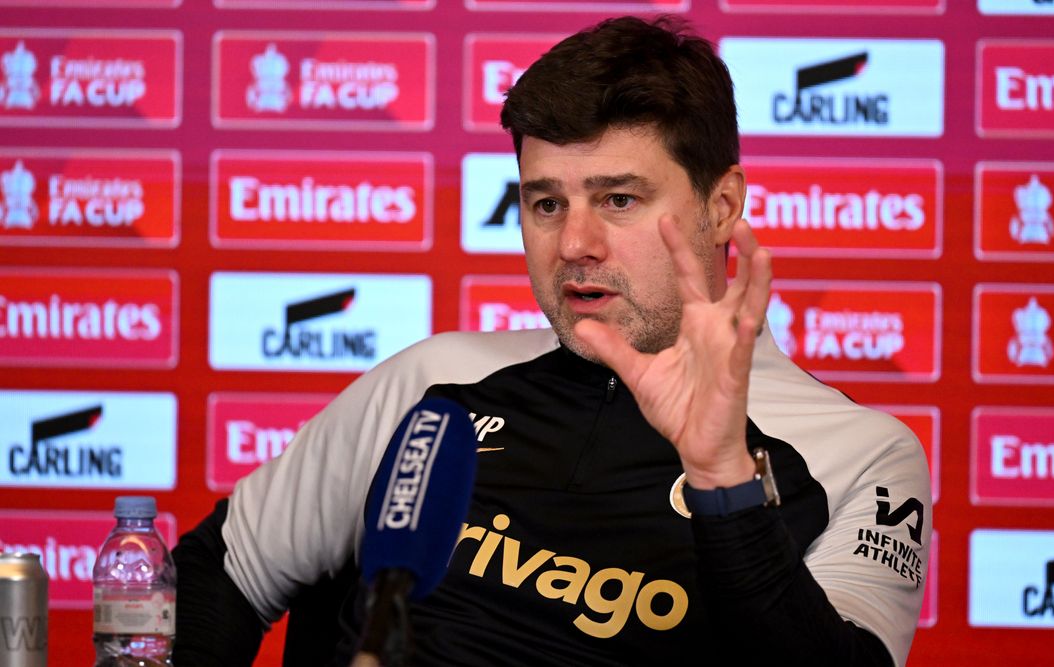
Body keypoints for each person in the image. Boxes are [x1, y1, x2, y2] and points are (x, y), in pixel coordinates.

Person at [173, 15, 931, 666]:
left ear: (723, 204)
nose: (574, 242)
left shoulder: (859, 452)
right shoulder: (435, 382)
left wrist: (722, 478)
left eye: (619, 199)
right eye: (545, 202)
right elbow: (220, 570)